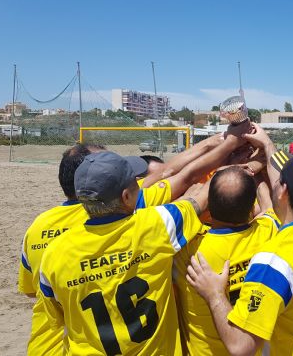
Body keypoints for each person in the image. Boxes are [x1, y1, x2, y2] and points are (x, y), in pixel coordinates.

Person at [187, 123, 293, 355]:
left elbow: (241, 346)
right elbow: (274, 200)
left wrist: (214, 295)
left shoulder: (276, 260)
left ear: (283, 191)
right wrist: (267, 144)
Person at [35, 151, 208, 355]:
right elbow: (198, 201)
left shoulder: (55, 253)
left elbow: (53, 317)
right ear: (126, 196)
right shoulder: (155, 225)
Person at [174, 166, 280, 356]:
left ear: (209, 206)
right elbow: (270, 206)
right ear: (251, 209)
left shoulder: (189, 249)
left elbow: (180, 211)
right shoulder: (267, 233)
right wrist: (259, 170)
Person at [17, 143, 105, 355]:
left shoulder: (38, 225)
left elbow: (30, 291)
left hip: (45, 346)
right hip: (87, 345)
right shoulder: (107, 218)